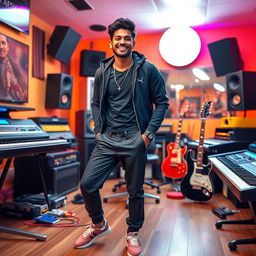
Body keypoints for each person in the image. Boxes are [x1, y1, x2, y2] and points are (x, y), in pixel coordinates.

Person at [74, 18, 169, 256]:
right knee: (87, 184)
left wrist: (147, 135)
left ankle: (133, 232)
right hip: (107, 138)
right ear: (111, 43)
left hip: (135, 137)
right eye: (118, 38)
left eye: (127, 38)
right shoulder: (102, 71)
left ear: (134, 41)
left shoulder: (147, 69)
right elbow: (96, 102)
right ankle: (98, 224)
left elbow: (162, 103)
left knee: (134, 191)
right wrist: (98, 131)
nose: (123, 42)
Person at [0, 34, 26, 102]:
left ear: (8, 47)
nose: (1, 47)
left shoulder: (14, 67)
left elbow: (22, 92)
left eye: (3, 43)